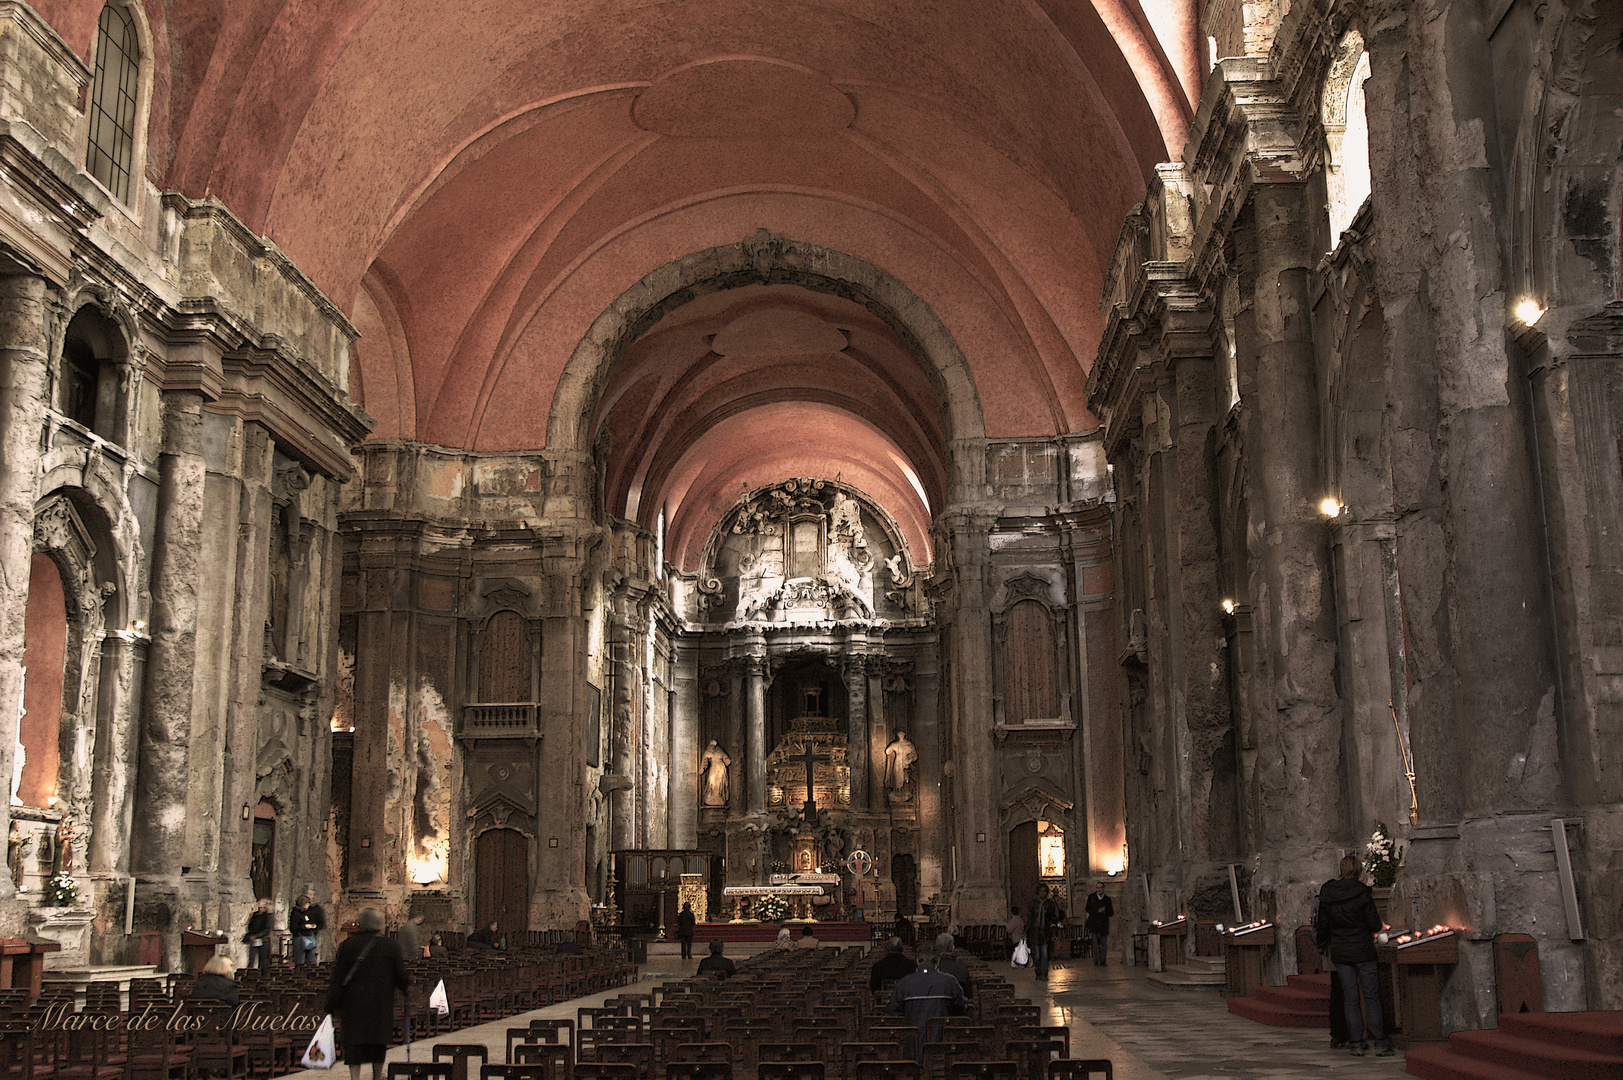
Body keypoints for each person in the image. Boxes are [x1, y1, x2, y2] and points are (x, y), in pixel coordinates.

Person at [1316, 854, 1393, 1057]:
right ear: (1359, 871)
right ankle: (1380, 1042)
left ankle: (1356, 1042)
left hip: (1341, 951)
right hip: (1362, 949)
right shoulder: (1362, 893)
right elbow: (1373, 923)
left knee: (1350, 998)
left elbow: (1322, 924)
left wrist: (1323, 943)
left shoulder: (1329, 893)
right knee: (1371, 996)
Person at [326, 907, 409, 1080]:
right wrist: (405, 988)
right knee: (377, 1043)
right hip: (380, 1003)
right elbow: (401, 974)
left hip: (354, 1003)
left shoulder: (348, 946)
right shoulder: (390, 945)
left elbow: (338, 977)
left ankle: (354, 1077)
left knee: (354, 1044)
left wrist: (331, 1005)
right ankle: (377, 1075)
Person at [886, 946, 966, 1055]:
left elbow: (893, 1010)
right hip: (944, 1046)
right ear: (938, 961)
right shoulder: (950, 981)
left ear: (917, 961)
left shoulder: (905, 983)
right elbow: (961, 1007)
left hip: (913, 1046)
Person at [1029, 885, 1061, 981]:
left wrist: (1053, 924)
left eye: (1044, 891)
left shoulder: (1050, 904)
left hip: (1045, 932)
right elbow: (1030, 918)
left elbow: (1054, 916)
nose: (1042, 893)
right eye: (1040, 891)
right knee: (1037, 954)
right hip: (1036, 932)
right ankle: (1038, 971)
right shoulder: (1034, 904)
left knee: (1045, 954)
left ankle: (1044, 973)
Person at [935, 931, 973, 999]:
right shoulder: (962, 969)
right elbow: (969, 995)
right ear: (953, 948)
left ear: (937, 948)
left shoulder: (934, 969)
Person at [1084, 882, 1114, 966]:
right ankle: (1096, 960)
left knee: (1103, 942)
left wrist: (1105, 911)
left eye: (1100, 887)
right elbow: (1088, 909)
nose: (1099, 889)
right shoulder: (1092, 897)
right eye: (1098, 887)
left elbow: (1111, 912)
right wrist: (1097, 911)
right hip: (1094, 923)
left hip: (1103, 924)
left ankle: (1103, 960)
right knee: (1095, 943)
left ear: (1103, 888)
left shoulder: (1107, 899)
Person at [289, 893, 323, 965]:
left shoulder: (306, 913)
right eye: (307, 903)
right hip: (299, 938)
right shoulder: (295, 913)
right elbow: (293, 928)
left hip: (308, 938)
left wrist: (312, 926)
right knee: (300, 961)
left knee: (312, 961)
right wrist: (304, 927)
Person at [244, 899, 273, 970]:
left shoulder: (268, 916)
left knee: (263, 961)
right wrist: (251, 934)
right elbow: (250, 925)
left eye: (262, 902)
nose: (259, 903)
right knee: (251, 959)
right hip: (254, 940)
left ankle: (263, 976)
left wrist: (256, 936)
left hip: (263, 940)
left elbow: (267, 929)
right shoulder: (255, 915)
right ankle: (250, 975)